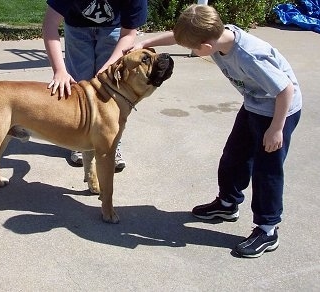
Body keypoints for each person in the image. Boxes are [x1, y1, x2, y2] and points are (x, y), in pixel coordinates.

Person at [129, 4, 302, 258]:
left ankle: (267, 229)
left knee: (267, 170)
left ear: (206, 48)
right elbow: (178, 37)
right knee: (234, 156)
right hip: (255, 105)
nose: (188, 49)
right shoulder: (217, 38)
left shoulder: (249, 56)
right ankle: (227, 204)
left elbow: (285, 90)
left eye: (191, 48)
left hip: (280, 111)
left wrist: (276, 129)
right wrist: (145, 42)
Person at [42, 0, 148, 170]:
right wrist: (59, 70)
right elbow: (49, 25)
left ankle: (112, 141)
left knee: (111, 89)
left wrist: (108, 67)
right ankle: (77, 142)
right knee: (78, 89)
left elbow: (128, 33)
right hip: (76, 28)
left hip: (114, 30)